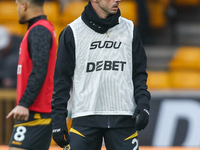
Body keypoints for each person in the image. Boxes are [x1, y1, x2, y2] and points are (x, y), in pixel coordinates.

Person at [51, 0, 151, 149]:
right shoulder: (72, 31)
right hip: (85, 119)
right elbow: (61, 81)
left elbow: (139, 74)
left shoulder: (129, 29)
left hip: (123, 118)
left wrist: (143, 104)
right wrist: (58, 120)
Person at [6, 0, 57, 150]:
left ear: (25, 5)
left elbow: (40, 70)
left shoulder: (39, 30)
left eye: (17, 5)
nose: (17, 9)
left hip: (36, 112)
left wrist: (24, 103)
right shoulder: (41, 28)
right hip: (38, 111)